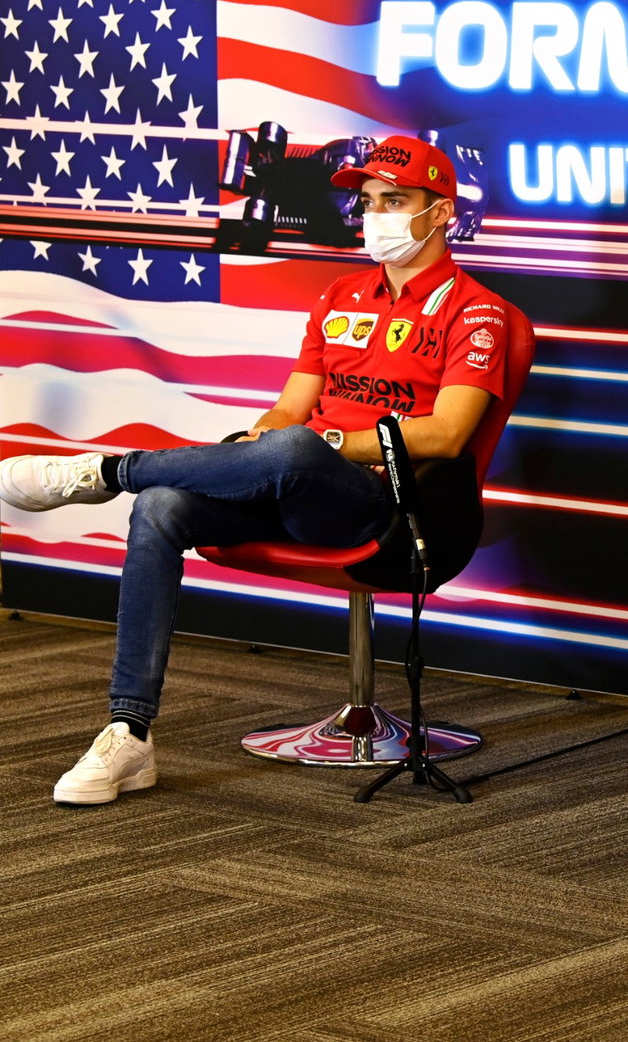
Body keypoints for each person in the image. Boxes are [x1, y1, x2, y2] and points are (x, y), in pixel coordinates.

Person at [0, 136, 525, 806]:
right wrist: (259, 440)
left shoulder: (476, 312)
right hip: (295, 480)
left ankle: (105, 470)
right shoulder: (339, 296)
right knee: (162, 506)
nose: (376, 216)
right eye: (368, 202)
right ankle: (129, 730)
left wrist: (323, 442)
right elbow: (288, 409)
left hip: (389, 506)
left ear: (440, 213)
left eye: (396, 201)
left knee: (300, 449)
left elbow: (448, 435)